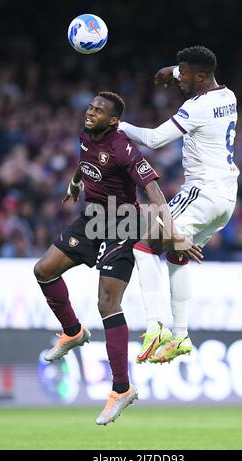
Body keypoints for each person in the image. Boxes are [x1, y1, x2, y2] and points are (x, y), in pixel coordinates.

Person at [34, 91, 196, 425]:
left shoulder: (123, 148)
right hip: (92, 219)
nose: (91, 112)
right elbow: (84, 162)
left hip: (124, 223)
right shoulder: (86, 135)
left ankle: (121, 389)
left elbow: (152, 191)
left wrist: (174, 231)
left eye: (99, 111)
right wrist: (75, 184)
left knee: (107, 304)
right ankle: (73, 332)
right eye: (91, 107)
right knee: (44, 270)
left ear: (113, 120)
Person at [119, 45, 239, 364]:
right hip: (226, 198)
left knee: (143, 246)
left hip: (201, 193)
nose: (180, 77)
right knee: (176, 255)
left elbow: (155, 139)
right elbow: (193, 74)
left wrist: (118, 126)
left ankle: (156, 326)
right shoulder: (229, 97)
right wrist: (172, 73)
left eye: (184, 73)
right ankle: (182, 336)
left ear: (199, 77)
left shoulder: (197, 106)